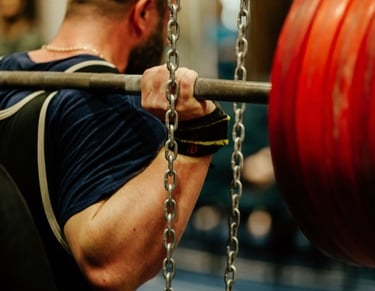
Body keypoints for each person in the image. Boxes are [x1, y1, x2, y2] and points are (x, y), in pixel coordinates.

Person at [0, 0, 229, 290]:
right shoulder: (109, 106)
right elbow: (109, 268)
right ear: (143, 13)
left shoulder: (5, 72)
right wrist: (196, 133)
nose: (166, 39)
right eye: (169, 22)